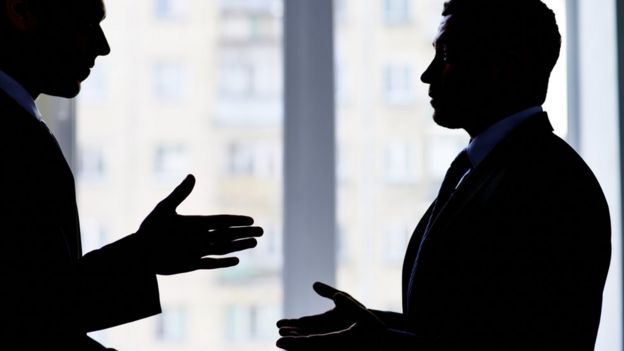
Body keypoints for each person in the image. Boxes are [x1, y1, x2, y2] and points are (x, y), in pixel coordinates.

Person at [276, 0, 611, 350]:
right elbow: (469, 325)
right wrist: (376, 325)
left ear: (504, 64)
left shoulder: (554, 187)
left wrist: (382, 345)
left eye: (447, 55)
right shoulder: (492, 168)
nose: (427, 74)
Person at [0, 0, 263, 349]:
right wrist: (144, 255)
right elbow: (30, 316)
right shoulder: (8, 138)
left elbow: (38, 305)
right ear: (22, 10)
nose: (102, 45)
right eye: (87, 22)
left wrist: (144, 254)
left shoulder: (19, 125)